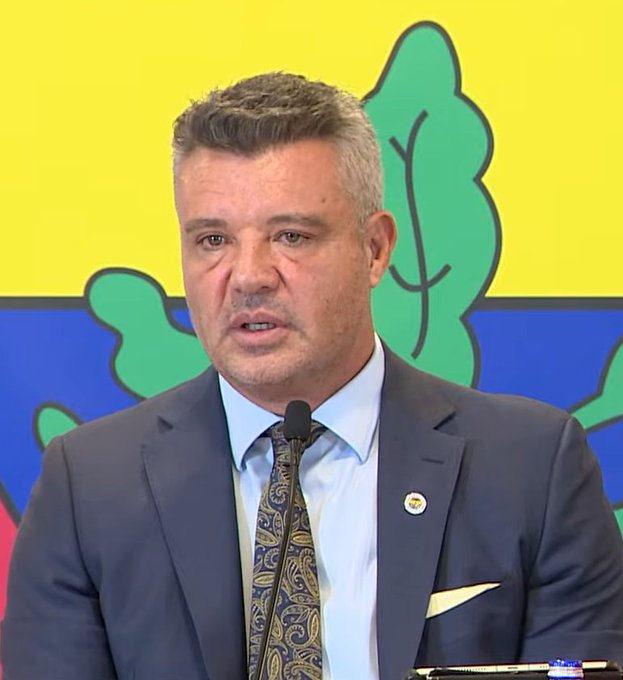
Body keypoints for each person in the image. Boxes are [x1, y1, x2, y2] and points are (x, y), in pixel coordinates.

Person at [2, 72, 623, 680]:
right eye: (213, 240)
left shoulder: (532, 471)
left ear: (375, 249)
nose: (249, 276)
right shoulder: (88, 490)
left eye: (291, 236)